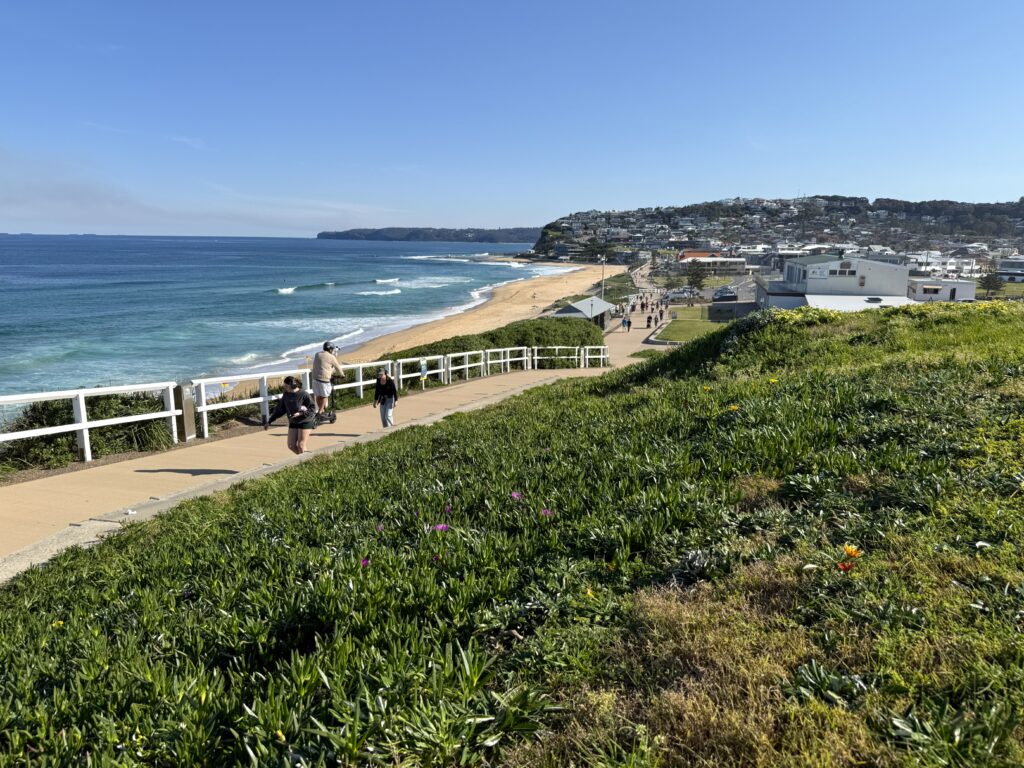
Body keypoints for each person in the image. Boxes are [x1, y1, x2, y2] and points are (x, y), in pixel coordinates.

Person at [265, 376, 318, 454]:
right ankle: (303, 459)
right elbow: (280, 409)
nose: (284, 388)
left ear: (292, 385)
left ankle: (304, 461)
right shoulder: (286, 394)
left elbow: (313, 409)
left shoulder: (304, 394)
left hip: (305, 421)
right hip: (293, 421)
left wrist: (301, 413)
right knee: (291, 445)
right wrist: (269, 421)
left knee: (301, 445)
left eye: (286, 386)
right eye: (284, 386)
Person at [311, 342, 347, 416]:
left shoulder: (317, 354)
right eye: (332, 349)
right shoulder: (331, 357)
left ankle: (321, 410)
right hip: (324, 380)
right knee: (325, 396)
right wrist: (342, 375)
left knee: (318, 395)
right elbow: (338, 368)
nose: (333, 350)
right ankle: (320, 411)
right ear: (330, 349)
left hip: (315, 379)